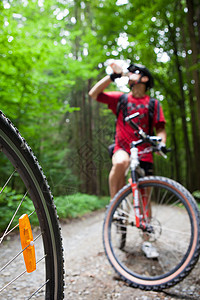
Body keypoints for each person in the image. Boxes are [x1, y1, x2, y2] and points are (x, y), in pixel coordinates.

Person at [89, 61, 167, 199]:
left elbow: (160, 129)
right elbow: (93, 94)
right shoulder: (121, 99)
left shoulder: (153, 103)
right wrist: (113, 76)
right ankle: (116, 208)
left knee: (145, 199)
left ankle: (143, 220)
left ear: (144, 78)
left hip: (145, 152)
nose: (130, 75)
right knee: (120, 163)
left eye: (134, 72)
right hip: (122, 148)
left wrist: (161, 144)